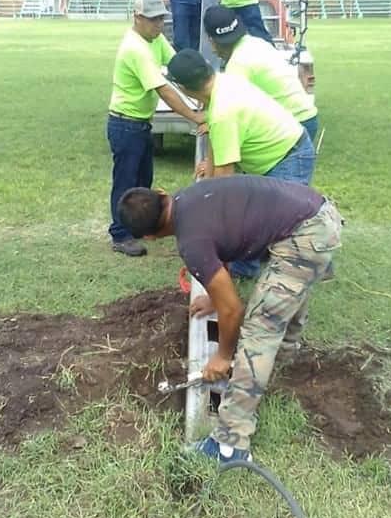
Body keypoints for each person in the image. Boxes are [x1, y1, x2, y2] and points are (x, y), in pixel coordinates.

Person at [117, 177, 342, 461]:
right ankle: (285, 355)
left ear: (149, 237)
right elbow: (225, 236)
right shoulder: (191, 195)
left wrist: (223, 356)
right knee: (289, 286)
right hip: (315, 210)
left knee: (260, 329)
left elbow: (232, 310)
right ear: (162, 193)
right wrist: (215, 296)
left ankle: (231, 443)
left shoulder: (191, 243)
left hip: (306, 234)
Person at [107, 0, 204, 257]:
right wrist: (195, 116)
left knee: (143, 181)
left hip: (141, 124)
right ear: (137, 18)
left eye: (161, 18)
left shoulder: (155, 39)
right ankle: (120, 234)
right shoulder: (135, 48)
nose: (159, 24)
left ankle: (139, 225)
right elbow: (164, 89)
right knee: (126, 183)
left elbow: (175, 67)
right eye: (153, 19)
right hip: (125, 124)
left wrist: (203, 88)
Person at [167, 49, 315, 185]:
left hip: (287, 159)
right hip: (288, 149)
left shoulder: (223, 111)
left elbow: (224, 179)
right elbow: (217, 142)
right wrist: (208, 175)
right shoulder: (222, 83)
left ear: (183, 88)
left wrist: (210, 203)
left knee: (278, 213)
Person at [203, 6, 319, 142]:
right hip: (305, 116)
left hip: (292, 123)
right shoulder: (257, 43)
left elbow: (232, 110)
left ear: (212, 41)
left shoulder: (238, 63)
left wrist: (213, 123)